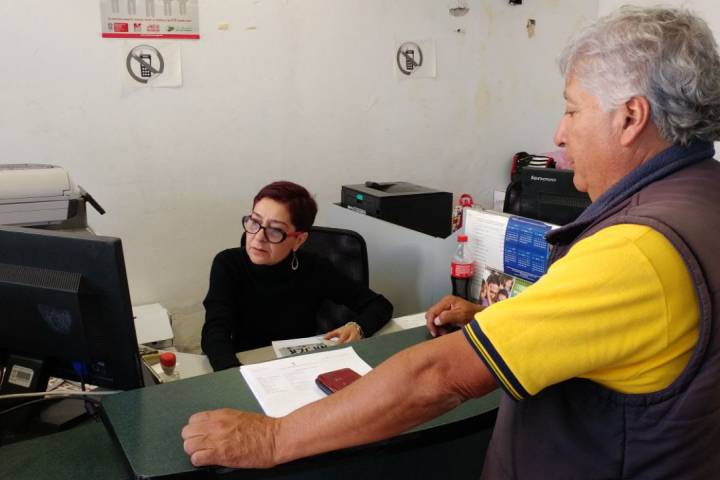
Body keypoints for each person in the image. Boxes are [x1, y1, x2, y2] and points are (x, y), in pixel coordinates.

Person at [182, 7, 720, 478]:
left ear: (630, 117)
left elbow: (438, 377)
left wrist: (272, 438)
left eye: (573, 109)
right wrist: (496, 316)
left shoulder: (638, 250)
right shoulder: (702, 200)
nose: (559, 134)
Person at [201, 180, 393, 371]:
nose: (258, 238)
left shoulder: (315, 268)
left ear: (298, 240)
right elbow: (215, 331)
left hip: (301, 366)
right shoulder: (228, 263)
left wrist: (359, 326)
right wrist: (235, 373)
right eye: (254, 222)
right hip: (247, 361)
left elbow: (380, 305)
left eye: (275, 231)